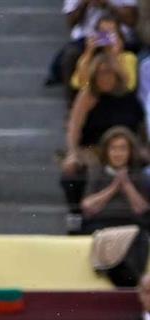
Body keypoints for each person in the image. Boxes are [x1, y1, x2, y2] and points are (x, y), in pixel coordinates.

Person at [62, 55, 146, 208]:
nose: (104, 77)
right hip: (93, 148)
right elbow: (74, 127)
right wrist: (72, 152)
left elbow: (140, 126)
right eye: (100, 73)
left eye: (108, 72)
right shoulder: (88, 97)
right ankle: (77, 214)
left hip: (126, 146)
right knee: (72, 171)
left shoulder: (128, 97)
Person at [77, 126, 150, 232]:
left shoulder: (139, 174)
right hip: (101, 224)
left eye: (122, 148)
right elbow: (87, 206)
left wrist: (127, 184)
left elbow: (142, 209)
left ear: (130, 151)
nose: (118, 153)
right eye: (113, 148)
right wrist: (114, 187)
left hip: (132, 225)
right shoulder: (97, 172)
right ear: (106, 151)